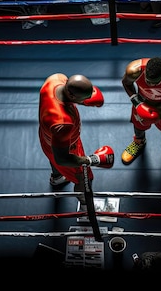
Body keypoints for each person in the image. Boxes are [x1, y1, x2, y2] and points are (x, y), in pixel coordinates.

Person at [38, 73, 114, 213]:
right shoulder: (63, 122)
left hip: (47, 137)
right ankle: (86, 204)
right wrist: (91, 160)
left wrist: (81, 99)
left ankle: (57, 178)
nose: (89, 99)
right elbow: (62, 158)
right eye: (85, 98)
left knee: (52, 158)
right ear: (72, 96)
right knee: (84, 178)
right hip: (68, 148)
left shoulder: (55, 79)